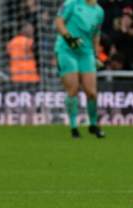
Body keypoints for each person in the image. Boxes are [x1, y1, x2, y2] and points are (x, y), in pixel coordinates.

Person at [54, 0, 106, 138]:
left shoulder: (99, 11)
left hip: (86, 52)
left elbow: (96, 34)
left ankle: (93, 125)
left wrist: (95, 55)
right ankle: (73, 127)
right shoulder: (72, 3)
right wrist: (69, 39)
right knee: (73, 88)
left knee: (92, 92)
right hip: (67, 49)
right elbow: (59, 22)